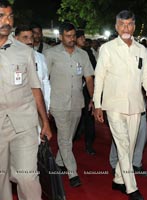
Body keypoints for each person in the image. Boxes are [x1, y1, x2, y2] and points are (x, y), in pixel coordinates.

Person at [93, 10, 147, 200]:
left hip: (136, 105)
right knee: (122, 144)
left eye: (129, 24)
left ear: (135, 26)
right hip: (113, 105)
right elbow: (100, 77)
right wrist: (98, 104)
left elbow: (146, 78)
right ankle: (132, 187)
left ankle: (119, 180)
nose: (126, 28)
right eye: (122, 24)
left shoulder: (141, 49)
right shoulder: (107, 48)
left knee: (129, 146)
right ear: (116, 27)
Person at [0, 1, 52, 200]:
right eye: (1, 16)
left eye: (10, 16)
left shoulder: (24, 51)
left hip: (24, 123)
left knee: (27, 177)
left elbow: (35, 88)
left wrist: (45, 122)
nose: (7, 21)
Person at [44, 22, 95, 187]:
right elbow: (44, 80)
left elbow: (88, 78)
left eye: (73, 36)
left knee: (68, 137)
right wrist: (44, 105)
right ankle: (72, 173)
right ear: (60, 37)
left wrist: (94, 99)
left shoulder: (83, 54)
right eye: (68, 36)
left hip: (77, 102)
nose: (71, 39)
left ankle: (59, 162)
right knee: (65, 138)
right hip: (57, 103)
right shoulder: (50, 54)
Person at [14, 25, 51, 117]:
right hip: (16, 111)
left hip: (39, 109)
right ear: (16, 39)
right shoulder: (8, 58)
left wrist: (47, 106)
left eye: (31, 38)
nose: (30, 41)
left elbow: (45, 82)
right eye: (25, 38)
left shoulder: (40, 58)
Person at [74, 29, 97, 155]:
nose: (84, 40)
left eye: (84, 37)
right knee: (74, 116)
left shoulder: (88, 53)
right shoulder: (71, 53)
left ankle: (89, 144)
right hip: (74, 90)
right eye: (81, 37)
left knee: (89, 117)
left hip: (87, 89)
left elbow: (94, 71)